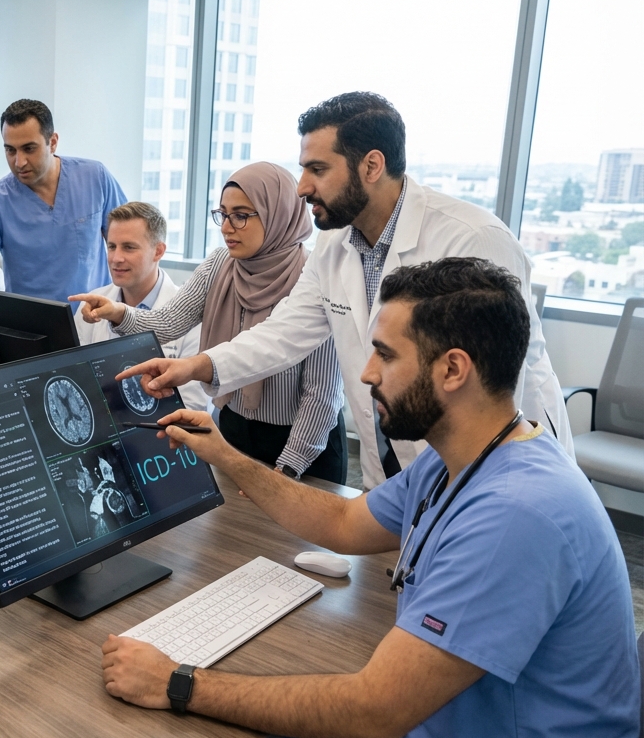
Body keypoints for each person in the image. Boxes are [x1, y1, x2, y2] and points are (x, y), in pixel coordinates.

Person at [101, 258, 638, 738]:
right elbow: (344, 521)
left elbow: (375, 712)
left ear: (453, 369)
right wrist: (226, 456)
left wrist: (177, 683)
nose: (366, 373)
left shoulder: (518, 516)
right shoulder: (461, 458)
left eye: (385, 354)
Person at [117, 92, 571, 489]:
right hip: (390, 459)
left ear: (371, 165)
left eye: (317, 169)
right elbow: (284, 333)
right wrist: (193, 366)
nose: (302, 187)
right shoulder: (335, 245)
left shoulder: (471, 239)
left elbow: (492, 392)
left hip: (496, 469)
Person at [75, 166, 346, 482]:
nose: (227, 227)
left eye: (240, 216)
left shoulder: (313, 276)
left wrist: (287, 468)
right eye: (223, 215)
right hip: (234, 429)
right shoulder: (220, 264)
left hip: (304, 441)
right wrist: (118, 312)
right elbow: (167, 322)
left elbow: (321, 393)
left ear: (278, 214)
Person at [0, 99, 126, 303]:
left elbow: (129, 243)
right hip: (30, 321)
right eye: (10, 150)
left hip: (95, 316)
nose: (19, 162)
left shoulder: (95, 178)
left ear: (52, 142)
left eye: (29, 149)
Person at [69, 202, 210, 414]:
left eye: (129, 247)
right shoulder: (90, 306)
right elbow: (77, 380)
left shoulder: (192, 314)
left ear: (158, 251)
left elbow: (193, 405)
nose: (116, 258)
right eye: (112, 246)